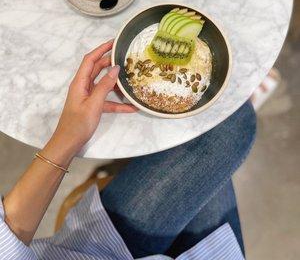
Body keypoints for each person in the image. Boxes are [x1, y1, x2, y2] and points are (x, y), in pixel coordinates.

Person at [0, 40, 256, 260]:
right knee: (227, 119)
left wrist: (69, 136)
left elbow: (7, 243)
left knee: (226, 125)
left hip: (102, 250)